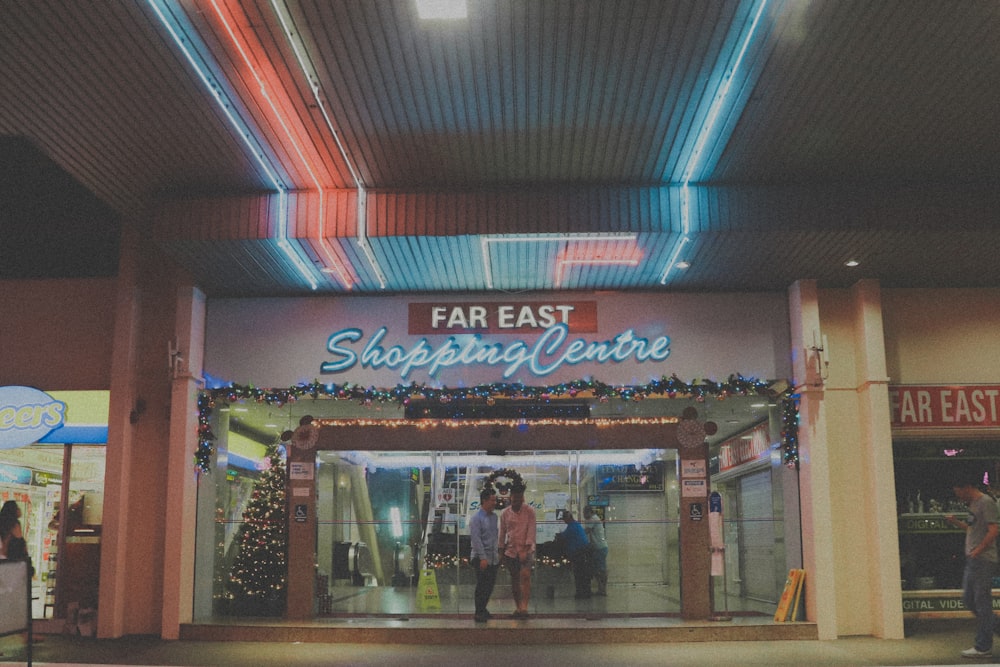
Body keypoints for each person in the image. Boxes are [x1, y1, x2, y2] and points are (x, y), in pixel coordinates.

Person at [945, 475, 1000, 660]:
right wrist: (956, 523)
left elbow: (994, 529)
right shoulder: (973, 504)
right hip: (973, 560)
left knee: (982, 603)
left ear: (966, 486)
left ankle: (983, 646)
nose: (958, 496)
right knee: (969, 600)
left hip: (983, 560)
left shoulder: (986, 502)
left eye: (958, 492)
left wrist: (978, 550)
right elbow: (972, 529)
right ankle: (994, 628)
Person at [499, 484, 536, 618]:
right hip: (510, 551)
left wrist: (525, 551)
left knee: (525, 576)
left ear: (523, 498)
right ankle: (518, 607)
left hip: (526, 550)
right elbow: (502, 533)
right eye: (515, 498)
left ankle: (524, 608)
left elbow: (531, 532)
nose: (517, 501)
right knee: (514, 579)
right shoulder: (504, 513)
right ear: (510, 497)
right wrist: (500, 551)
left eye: (520, 498)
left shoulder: (530, 511)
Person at [469, 488, 499, 623]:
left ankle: (483, 608)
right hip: (481, 558)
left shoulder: (494, 517)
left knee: (490, 585)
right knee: (482, 585)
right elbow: (476, 539)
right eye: (492, 500)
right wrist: (482, 557)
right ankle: (478, 611)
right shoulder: (476, 518)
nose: (495, 503)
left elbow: (494, 537)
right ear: (484, 501)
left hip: (493, 558)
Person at [558, 510, 592, 599]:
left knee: (579, 573)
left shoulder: (571, 526)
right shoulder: (576, 524)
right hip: (583, 551)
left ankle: (580, 593)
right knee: (583, 573)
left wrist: (558, 536)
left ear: (568, 518)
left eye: (564, 519)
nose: (564, 521)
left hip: (578, 553)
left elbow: (563, 537)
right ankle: (586, 592)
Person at [0, 500, 31, 573]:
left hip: (6, 560)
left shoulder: (4, 524)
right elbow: (19, 540)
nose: (20, 510)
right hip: (14, 560)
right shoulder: (14, 524)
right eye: (17, 507)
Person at [584, 506, 609, 596]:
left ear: (589, 512)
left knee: (601, 570)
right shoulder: (594, 519)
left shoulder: (593, 519)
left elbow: (585, 531)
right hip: (599, 547)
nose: (584, 516)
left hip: (600, 548)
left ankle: (603, 590)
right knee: (597, 569)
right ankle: (601, 589)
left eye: (585, 513)